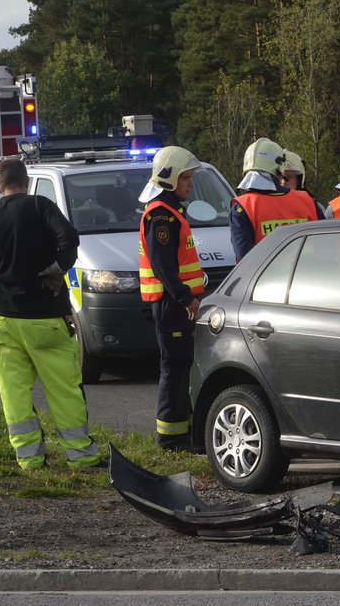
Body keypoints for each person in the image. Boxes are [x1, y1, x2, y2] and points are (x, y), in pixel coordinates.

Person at [0, 158, 102, 470]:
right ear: (26, 182)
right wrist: (56, 269)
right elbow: (70, 240)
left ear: (0, 186)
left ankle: (29, 460)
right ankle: (81, 456)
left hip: (2, 319)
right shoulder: (41, 206)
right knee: (64, 389)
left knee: (13, 393)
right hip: (46, 316)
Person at [138, 146, 205, 451]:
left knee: (181, 366)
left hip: (174, 303)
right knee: (175, 368)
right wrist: (186, 299)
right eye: (186, 177)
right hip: (172, 304)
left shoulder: (170, 211)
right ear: (170, 177)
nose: (191, 183)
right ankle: (170, 438)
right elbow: (163, 266)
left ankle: (182, 433)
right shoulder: (161, 216)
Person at [230, 138, 320, 262]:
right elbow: (326, 245)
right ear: (279, 167)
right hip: (309, 277)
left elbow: (245, 257)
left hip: (267, 280)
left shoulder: (242, 207)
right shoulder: (307, 200)